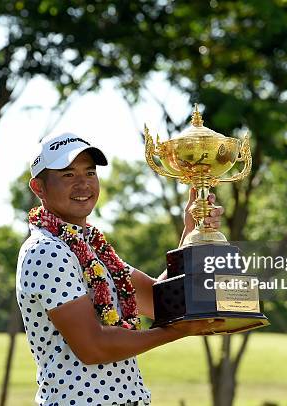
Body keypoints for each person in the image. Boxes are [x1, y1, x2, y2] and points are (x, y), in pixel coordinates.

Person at [16, 133, 225, 406]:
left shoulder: (89, 247)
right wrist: (178, 331)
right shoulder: (46, 251)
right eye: (68, 175)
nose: (83, 184)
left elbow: (159, 301)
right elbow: (93, 346)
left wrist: (192, 231)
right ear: (38, 188)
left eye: (90, 172)